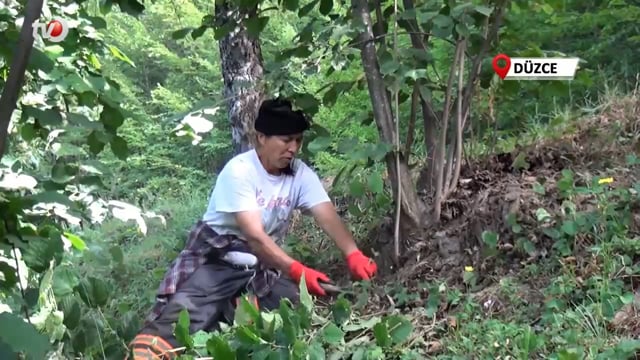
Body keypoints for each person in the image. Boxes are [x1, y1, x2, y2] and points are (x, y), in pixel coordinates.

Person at [126, 98, 378, 359]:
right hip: (217, 262)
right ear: (261, 138)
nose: (293, 148)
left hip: (260, 266)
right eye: (286, 140)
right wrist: (297, 269)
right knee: (173, 331)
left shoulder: (299, 173)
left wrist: (352, 253)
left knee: (294, 306)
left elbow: (326, 214)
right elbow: (255, 237)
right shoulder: (240, 171)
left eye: (298, 141)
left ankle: (230, 309)